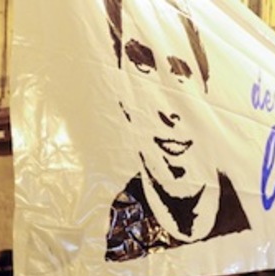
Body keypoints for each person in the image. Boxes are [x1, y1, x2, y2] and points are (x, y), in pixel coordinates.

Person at [103, 0, 251, 262]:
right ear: (121, 92)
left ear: (207, 91)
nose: (167, 109)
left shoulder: (249, 213)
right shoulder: (112, 228)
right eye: (142, 66)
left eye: (181, 73)